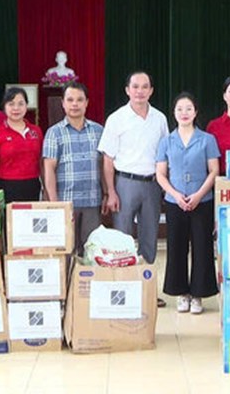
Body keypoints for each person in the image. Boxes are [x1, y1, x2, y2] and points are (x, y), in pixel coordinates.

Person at [98, 71, 168, 306]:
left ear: (151, 90)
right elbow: (108, 159)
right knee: (123, 239)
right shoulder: (116, 118)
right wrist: (111, 191)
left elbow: (165, 154)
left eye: (145, 86)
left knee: (150, 239)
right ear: (127, 90)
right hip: (125, 183)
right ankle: (123, 289)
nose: (140, 91)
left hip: (152, 184)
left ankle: (147, 291)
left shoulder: (159, 119)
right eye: (135, 86)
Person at [155, 92, 220, 314]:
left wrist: (199, 195)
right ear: (173, 113)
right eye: (180, 109)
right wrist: (175, 194)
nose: (184, 113)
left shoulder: (207, 139)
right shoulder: (166, 141)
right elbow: (161, 174)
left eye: (188, 108)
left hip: (202, 200)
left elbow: (214, 171)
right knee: (176, 247)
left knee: (202, 247)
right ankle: (182, 294)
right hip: (175, 202)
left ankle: (199, 295)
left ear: (196, 112)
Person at [42, 82, 105, 255]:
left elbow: (103, 165)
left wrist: (107, 193)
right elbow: (49, 168)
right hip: (66, 202)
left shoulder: (99, 131)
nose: (75, 104)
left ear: (87, 103)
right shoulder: (54, 133)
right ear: (63, 103)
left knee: (91, 251)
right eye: (70, 100)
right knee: (66, 251)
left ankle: (87, 283)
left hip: (92, 201)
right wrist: (54, 202)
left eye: (79, 100)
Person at [0, 87, 43, 203]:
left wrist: (46, 189)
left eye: (21, 104)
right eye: (11, 104)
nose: (16, 108)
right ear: (4, 107)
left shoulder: (36, 131)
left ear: (26, 106)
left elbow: (42, 163)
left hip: (32, 186)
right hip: (7, 187)